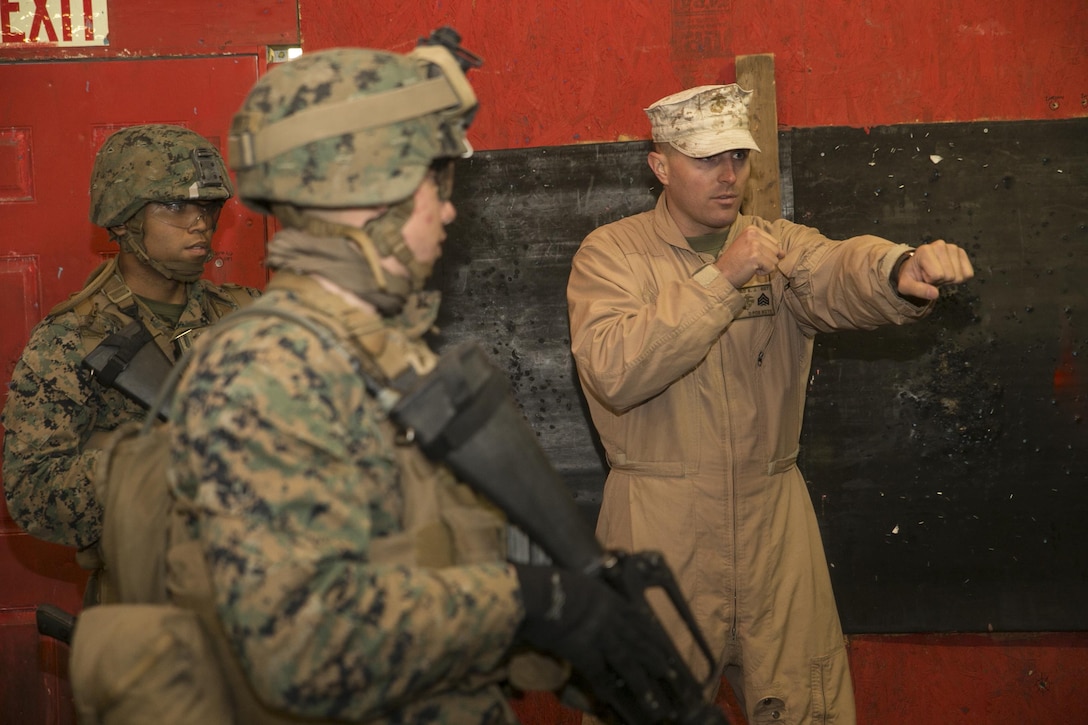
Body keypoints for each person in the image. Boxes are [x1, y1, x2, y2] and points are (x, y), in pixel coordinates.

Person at [155, 34, 680, 723]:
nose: (449, 208)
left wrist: (571, 632)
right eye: (434, 182)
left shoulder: (380, 352)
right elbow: (300, 647)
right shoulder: (269, 365)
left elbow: (432, 555)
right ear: (368, 198)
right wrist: (530, 602)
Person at [566, 84, 975, 725]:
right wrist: (722, 279)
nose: (727, 175)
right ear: (659, 165)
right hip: (656, 526)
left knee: (807, 705)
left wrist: (896, 269)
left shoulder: (777, 244)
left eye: (737, 156)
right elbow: (616, 371)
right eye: (706, 158)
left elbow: (838, 269)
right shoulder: (611, 256)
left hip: (774, 523)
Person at [2, 125, 260, 558]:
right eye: (176, 205)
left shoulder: (247, 315)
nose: (200, 223)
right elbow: (32, 492)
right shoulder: (73, 339)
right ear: (124, 217)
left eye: (208, 206)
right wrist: (165, 463)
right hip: (146, 593)